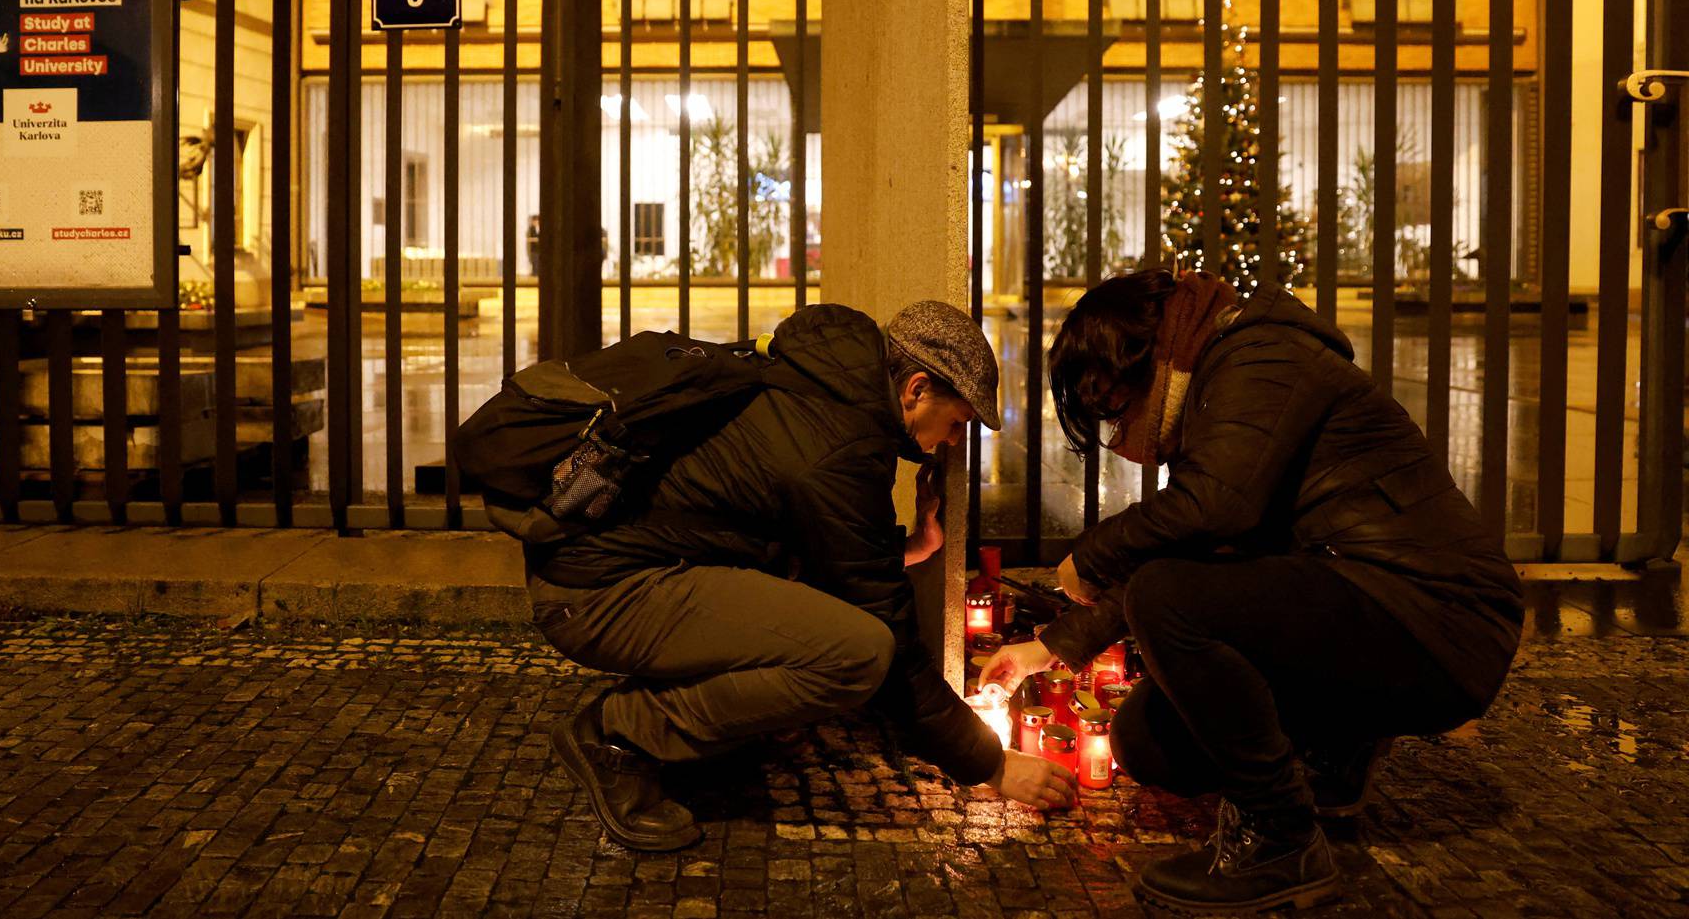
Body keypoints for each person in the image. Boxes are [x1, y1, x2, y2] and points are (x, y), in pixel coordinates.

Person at [980, 270, 1522, 913]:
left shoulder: (1259, 355)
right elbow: (1208, 543)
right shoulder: (1213, 379)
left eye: (1114, 412)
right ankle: (1332, 749)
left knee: (1166, 598)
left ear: (1141, 360)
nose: (1121, 443)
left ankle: (1279, 839)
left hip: (1434, 616)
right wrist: (1055, 648)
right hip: (1351, 600)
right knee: (1146, 742)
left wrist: (1091, 554)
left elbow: (1216, 510)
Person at [530, 300, 1074, 850]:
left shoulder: (822, 387)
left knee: (826, 627)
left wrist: (911, 548)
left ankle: (699, 722)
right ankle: (621, 733)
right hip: (599, 593)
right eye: (957, 422)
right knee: (857, 654)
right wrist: (990, 763)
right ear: (914, 389)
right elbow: (889, 637)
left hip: (625, 565)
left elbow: (824, 554)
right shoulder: (842, 445)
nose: (956, 441)